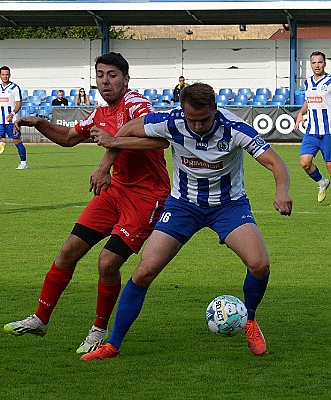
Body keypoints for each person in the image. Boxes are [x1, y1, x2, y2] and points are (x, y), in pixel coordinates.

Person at [82, 82, 293, 361]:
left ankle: (250, 321)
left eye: (204, 119)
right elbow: (130, 128)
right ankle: (113, 344)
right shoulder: (173, 121)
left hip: (228, 207)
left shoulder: (235, 128)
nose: (197, 126)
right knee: (144, 271)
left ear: (215, 110)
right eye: (192, 119)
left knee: (260, 264)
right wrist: (106, 161)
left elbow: (276, 163)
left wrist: (282, 191)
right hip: (183, 207)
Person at [3, 52, 171, 354]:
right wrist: (39, 122)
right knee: (68, 251)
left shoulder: (137, 105)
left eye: (112, 75)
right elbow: (68, 138)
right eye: (100, 75)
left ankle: (98, 330)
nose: (105, 81)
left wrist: (106, 158)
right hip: (114, 192)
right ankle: (40, 319)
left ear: (126, 79)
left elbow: (160, 141)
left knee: (107, 263)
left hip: (146, 197)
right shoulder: (99, 112)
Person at [294, 51, 331, 203]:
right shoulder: (307, 82)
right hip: (312, 131)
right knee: (305, 162)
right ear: (310, 64)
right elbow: (308, 101)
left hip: (329, 131)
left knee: (329, 165)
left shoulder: (330, 81)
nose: (317, 65)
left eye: (320, 62)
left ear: (325, 63)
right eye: (314, 63)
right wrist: (300, 114)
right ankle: (322, 182)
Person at [0, 66, 27, 170]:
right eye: (3, 74)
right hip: (1, 120)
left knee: (16, 141)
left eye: (7, 74)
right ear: (0, 76)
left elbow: (19, 103)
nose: (5, 76)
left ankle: (24, 162)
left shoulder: (15, 88)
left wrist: (12, 113)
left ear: (9, 75)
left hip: (12, 121)